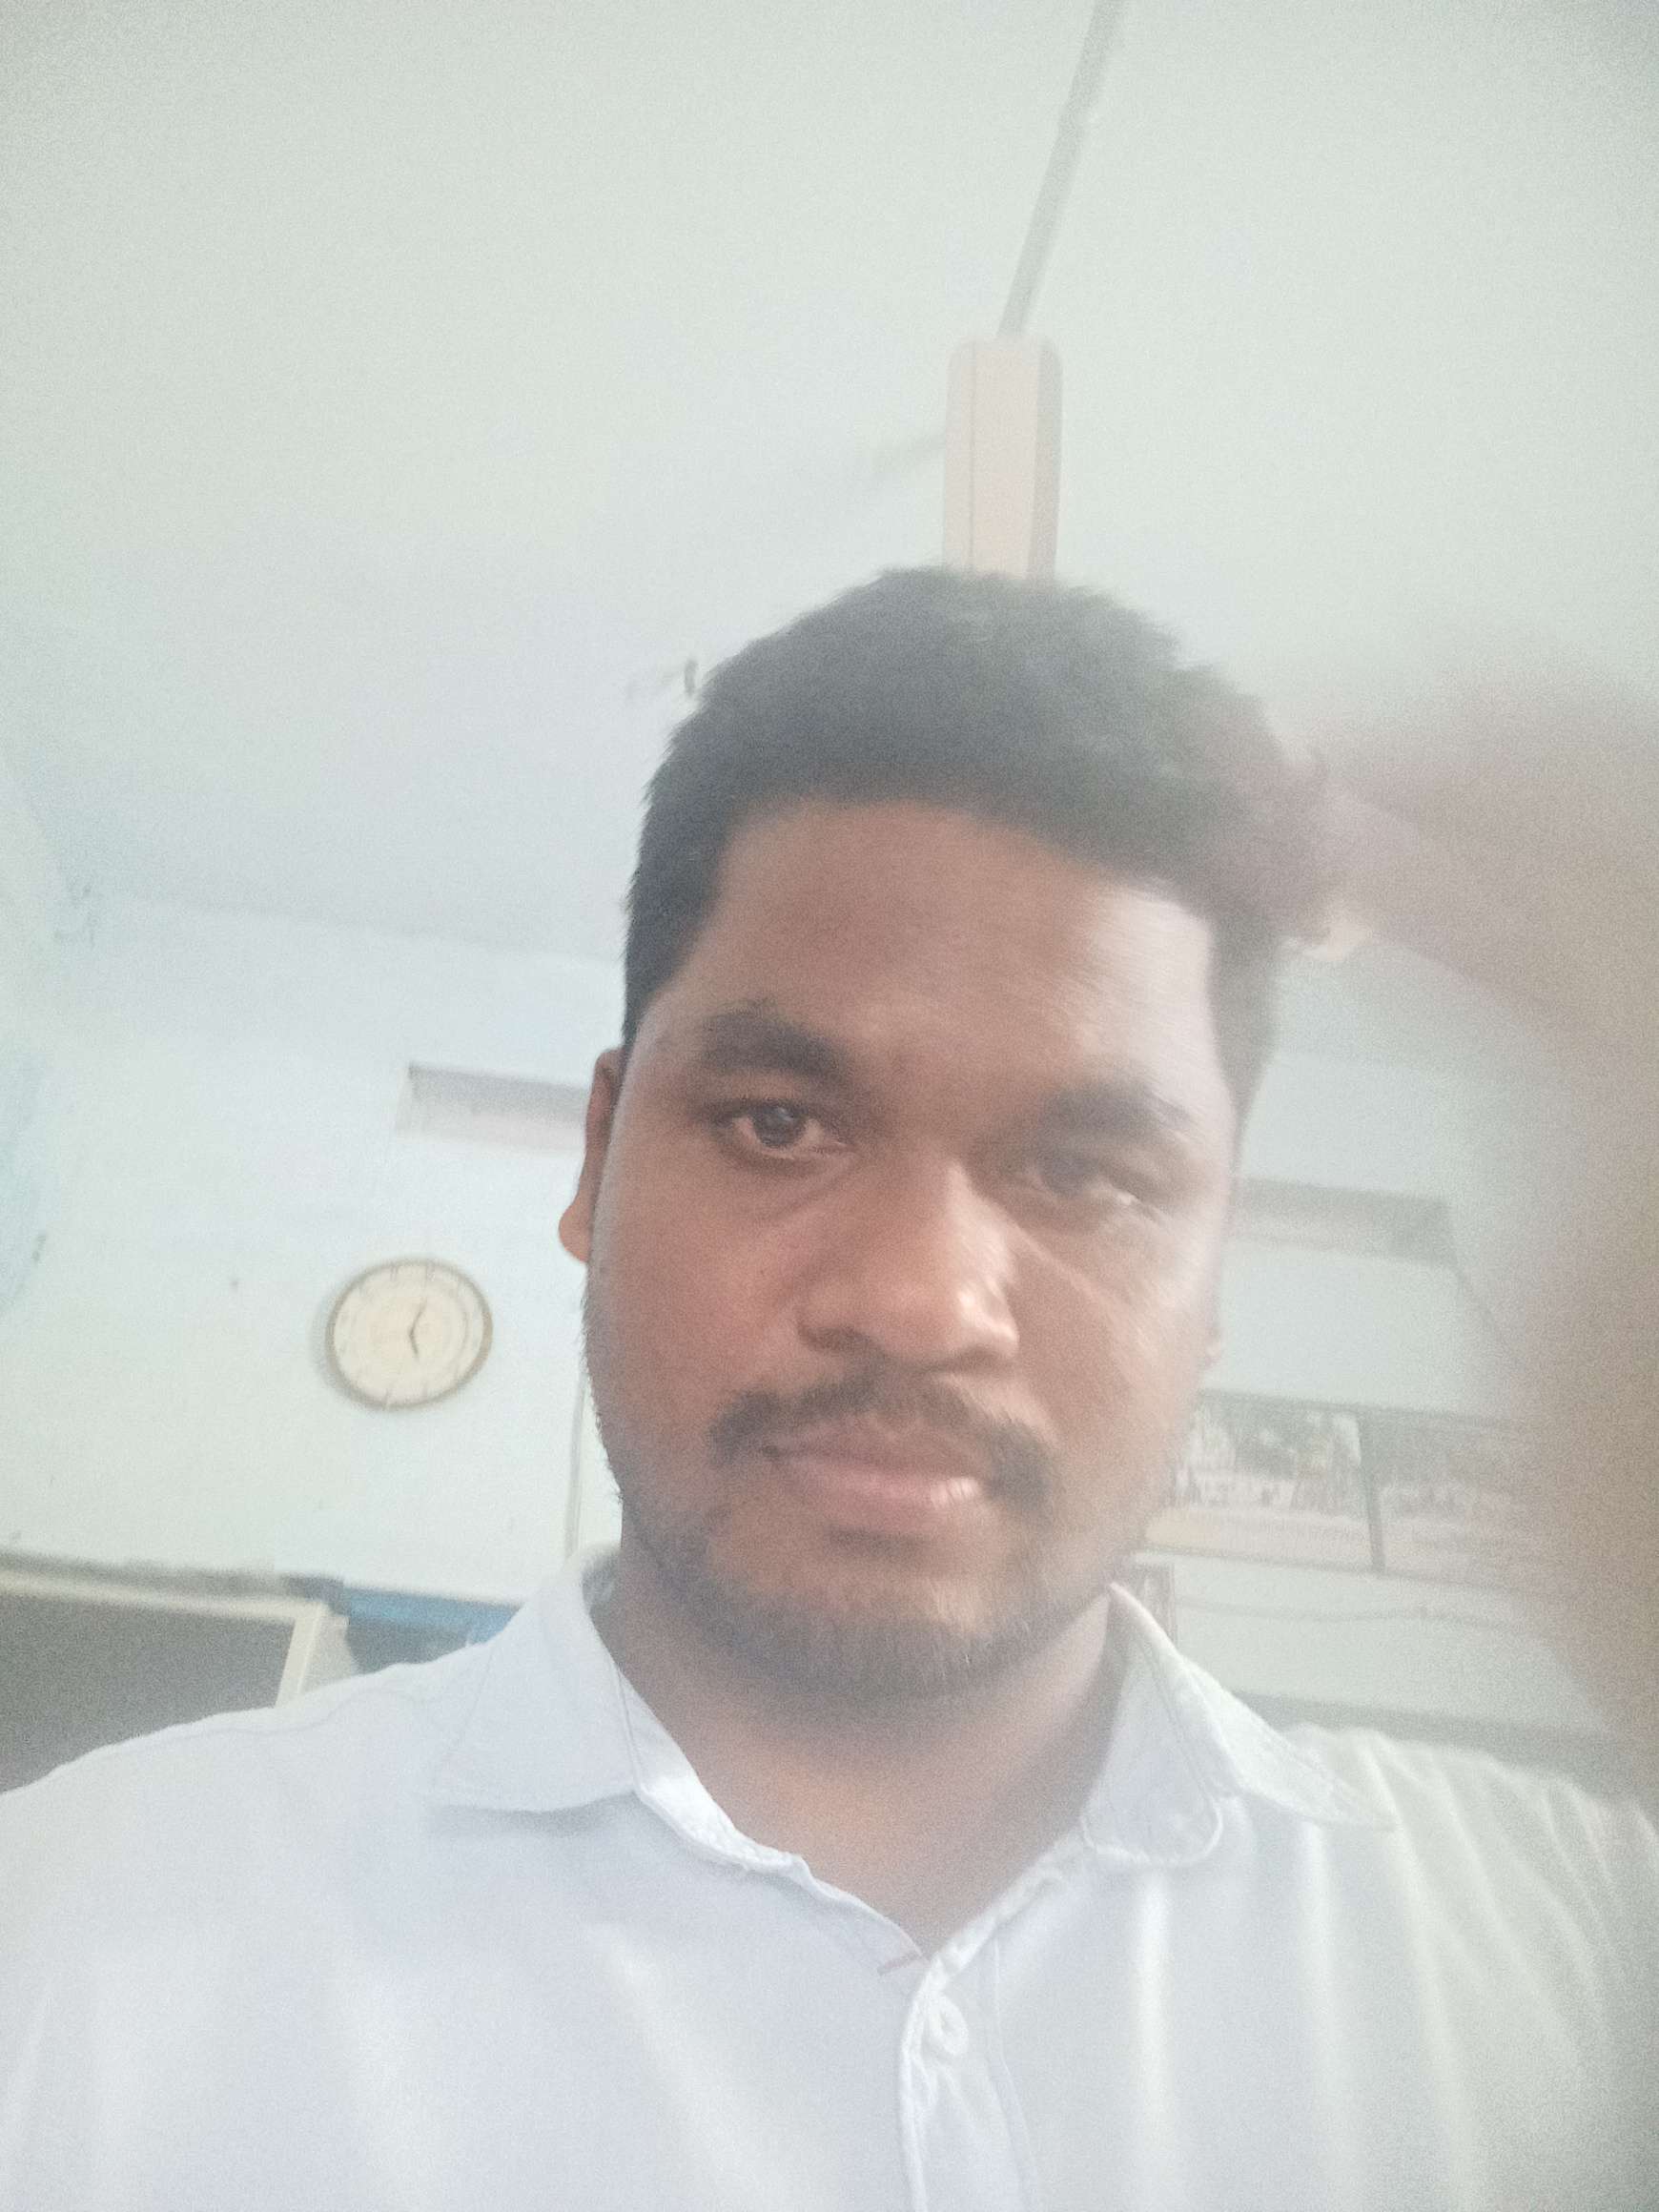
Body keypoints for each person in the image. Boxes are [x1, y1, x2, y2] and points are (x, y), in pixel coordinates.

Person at [1, 570, 1654, 2211]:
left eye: (1085, 1172)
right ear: (597, 1158)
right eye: (780, 1124)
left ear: (1216, 1279)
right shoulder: (72, 1945)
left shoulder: (1575, 1962)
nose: (921, 1303)